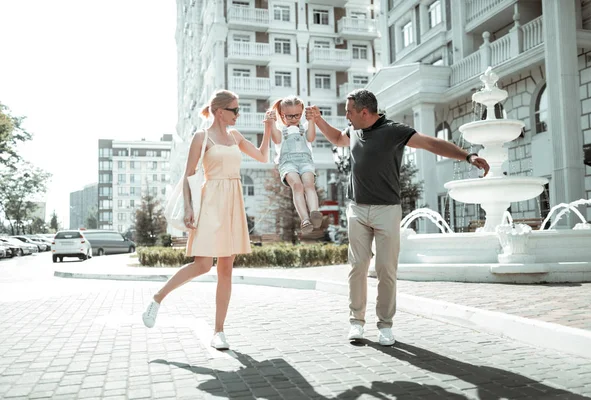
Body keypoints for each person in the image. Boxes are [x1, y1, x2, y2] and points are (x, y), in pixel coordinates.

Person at [305, 89, 490, 346]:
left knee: (386, 270)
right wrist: (317, 120)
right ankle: (356, 322)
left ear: (365, 112)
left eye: (349, 111)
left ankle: (385, 325)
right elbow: (337, 138)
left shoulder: (394, 131)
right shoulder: (354, 130)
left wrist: (467, 156)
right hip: (357, 208)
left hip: (386, 210)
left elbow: (430, 143)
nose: (345, 116)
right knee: (357, 267)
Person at [142, 89, 273, 350]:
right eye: (235, 110)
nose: (238, 114)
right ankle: (158, 297)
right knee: (202, 265)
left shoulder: (235, 136)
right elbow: (189, 174)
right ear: (220, 111)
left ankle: (219, 331)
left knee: (226, 269)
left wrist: (268, 129)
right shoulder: (201, 137)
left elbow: (262, 156)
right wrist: (190, 207)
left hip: (233, 200)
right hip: (211, 200)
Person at [268, 95, 323, 234]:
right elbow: (276, 139)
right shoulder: (281, 130)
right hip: (288, 162)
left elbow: (310, 138)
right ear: (282, 115)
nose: (293, 119)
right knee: (297, 186)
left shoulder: (304, 127)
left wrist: (311, 120)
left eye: (297, 115)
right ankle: (305, 219)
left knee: (308, 184)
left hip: (305, 161)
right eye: (289, 116)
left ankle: (314, 212)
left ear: (302, 113)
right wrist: (272, 123)